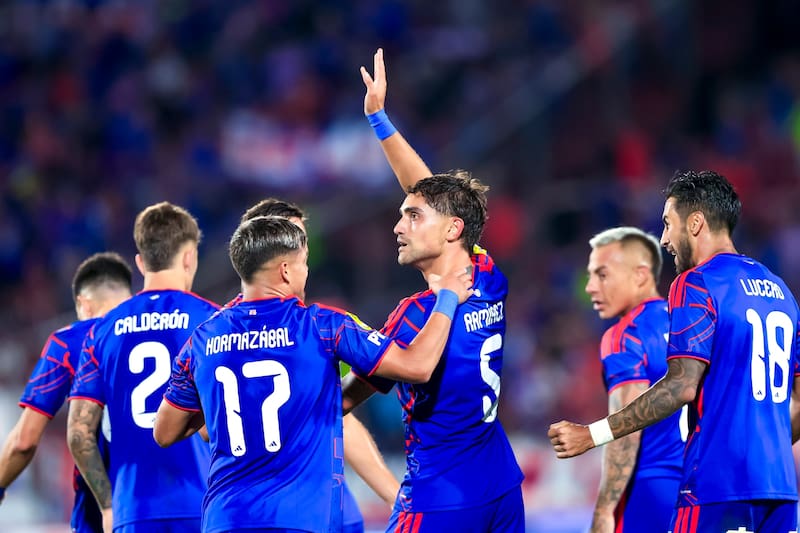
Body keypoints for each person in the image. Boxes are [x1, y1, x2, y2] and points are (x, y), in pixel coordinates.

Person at [152, 215, 472, 532]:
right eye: (304, 263)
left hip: (225, 520)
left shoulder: (203, 339)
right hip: (300, 521)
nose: (306, 273)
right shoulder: (321, 326)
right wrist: (447, 297)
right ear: (286, 270)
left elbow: (164, 433)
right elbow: (417, 366)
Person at [549, 170, 800, 532]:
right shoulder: (782, 292)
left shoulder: (696, 282)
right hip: (780, 491)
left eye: (668, 223)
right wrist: (767, 449)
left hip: (717, 488)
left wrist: (593, 435)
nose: (664, 238)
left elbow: (681, 386)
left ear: (695, 223)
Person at [341, 48, 525, 532]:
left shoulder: (416, 314)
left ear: (451, 231)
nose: (398, 226)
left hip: (441, 497)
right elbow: (434, 195)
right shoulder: (488, 277)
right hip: (502, 486)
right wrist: (379, 119)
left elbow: (344, 401)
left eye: (411, 217)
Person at [240, 198, 401, 531]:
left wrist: (393, 494)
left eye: (303, 240)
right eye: (291, 239)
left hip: (325, 502)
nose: (303, 252)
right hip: (265, 509)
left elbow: (337, 413)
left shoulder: (320, 328)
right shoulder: (229, 336)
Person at [68, 202, 218, 533]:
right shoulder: (212, 322)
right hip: (205, 508)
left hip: (132, 511)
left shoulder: (103, 330)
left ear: (140, 261)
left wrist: (108, 506)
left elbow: (79, 433)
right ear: (189, 257)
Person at [0, 253, 132, 533]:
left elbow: (25, 440)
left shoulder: (70, 340)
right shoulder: (169, 333)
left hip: (102, 512)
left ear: (83, 304)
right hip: (178, 501)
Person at [584, 227, 685, 533]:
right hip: (704, 490)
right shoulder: (692, 323)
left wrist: (604, 510)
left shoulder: (626, 334)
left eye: (602, 275)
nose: (590, 287)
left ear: (640, 275)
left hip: (650, 490)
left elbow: (626, 427)